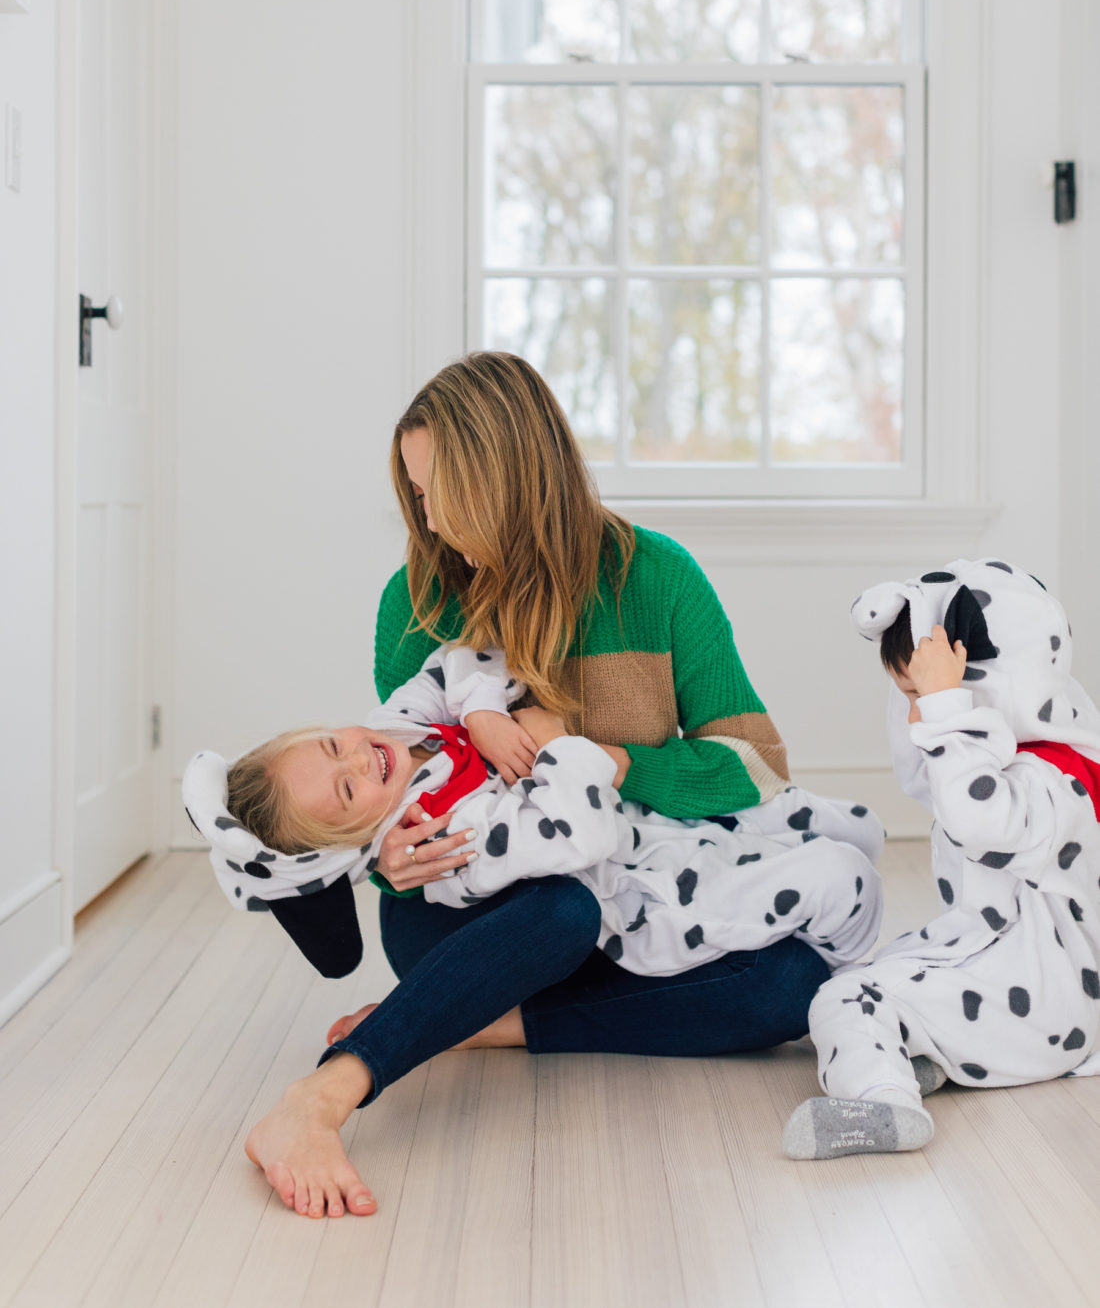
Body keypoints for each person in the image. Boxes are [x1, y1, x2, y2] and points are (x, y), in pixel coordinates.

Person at [241, 350, 838, 1219]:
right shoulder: (414, 606)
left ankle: (492, 1020)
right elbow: (384, 790)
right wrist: (388, 864)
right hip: (488, 905)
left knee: (792, 987)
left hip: (642, 888)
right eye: (416, 495)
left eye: (442, 490)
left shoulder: (658, 578)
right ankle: (325, 1095)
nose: (431, 521)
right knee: (552, 913)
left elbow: (757, 773)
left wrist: (608, 756)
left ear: (516, 478)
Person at [184, 644, 884, 983]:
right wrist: (557, 745)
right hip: (649, 895)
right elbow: (578, 836)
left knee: (851, 826)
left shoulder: (396, 727)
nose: (360, 760)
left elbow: (461, 658)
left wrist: (483, 707)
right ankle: (852, 987)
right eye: (345, 792)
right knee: (841, 876)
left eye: (334, 745)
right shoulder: (439, 843)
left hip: (664, 822)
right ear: (348, 844)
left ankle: (828, 940)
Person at [783, 558, 1100, 1162]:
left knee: (842, 1000)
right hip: (1015, 979)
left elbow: (975, 820)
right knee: (869, 977)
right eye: (906, 697)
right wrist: (937, 705)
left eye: (919, 699)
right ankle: (923, 1062)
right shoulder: (1012, 761)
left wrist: (946, 707)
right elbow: (926, 779)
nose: (914, 718)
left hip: (1039, 1003)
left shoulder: (1050, 781)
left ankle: (886, 1104)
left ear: (991, 685)